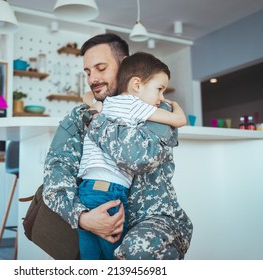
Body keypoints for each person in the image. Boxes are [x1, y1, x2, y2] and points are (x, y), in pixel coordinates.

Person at [42, 33, 193, 259]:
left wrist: (97, 119)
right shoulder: (77, 118)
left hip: (153, 221)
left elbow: (139, 157)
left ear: (123, 65)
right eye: (88, 72)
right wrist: (84, 218)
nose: (93, 78)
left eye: (100, 68)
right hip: (92, 214)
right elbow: (55, 178)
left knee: (134, 252)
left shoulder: (156, 110)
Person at [77, 52, 187, 259]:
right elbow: (179, 120)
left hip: (86, 188)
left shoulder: (105, 103)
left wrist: (94, 107)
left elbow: (87, 96)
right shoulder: (137, 105)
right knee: (117, 256)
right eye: (159, 89)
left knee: (89, 256)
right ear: (137, 85)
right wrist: (175, 106)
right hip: (111, 189)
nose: (161, 97)